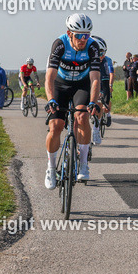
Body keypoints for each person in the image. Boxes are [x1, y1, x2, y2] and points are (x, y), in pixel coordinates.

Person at [44, 13, 101, 187]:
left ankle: (83, 164)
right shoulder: (60, 44)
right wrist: (51, 99)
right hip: (60, 85)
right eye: (79, 36)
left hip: (81, 85)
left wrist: (93, 102)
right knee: (55, 126)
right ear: (70, 33)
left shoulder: (93, 47)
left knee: (82, 116)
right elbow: (49, 78)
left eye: (86, 35)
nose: (83, 39)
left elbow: (95, 79)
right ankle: (51, 168)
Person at [90, 36, 114, 144]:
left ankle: (96, 128)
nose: (102, 56)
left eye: (104, 53)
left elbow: (106, 79)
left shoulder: (104, 61)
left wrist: (105, 99)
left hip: (98, 83)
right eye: (100, 53)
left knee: (99, 103)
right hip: (84, 83)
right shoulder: (82, 59)